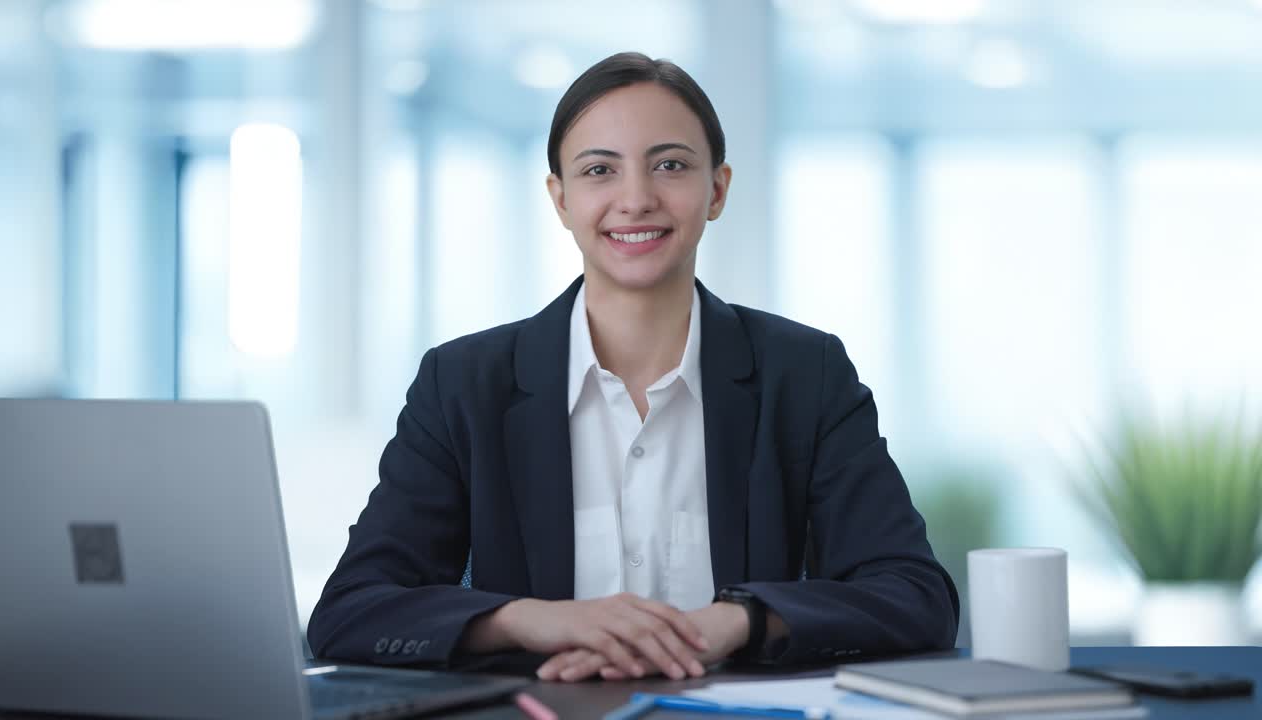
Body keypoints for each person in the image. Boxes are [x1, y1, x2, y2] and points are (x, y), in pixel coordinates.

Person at [307, 51, 958, 683]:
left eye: (670, 165)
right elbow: (351, 611)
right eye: (599, 171)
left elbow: (913, 596)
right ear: (560, 200)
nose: (636, 198)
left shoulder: (806, 374)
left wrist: (737, 622)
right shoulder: (464, 384)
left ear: (717, 190)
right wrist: (534, 621)